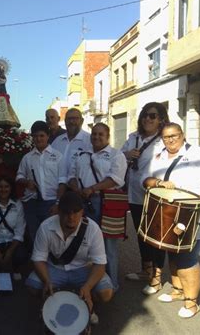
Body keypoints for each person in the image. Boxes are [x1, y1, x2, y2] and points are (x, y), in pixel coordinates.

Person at [142, 123, 200, 318]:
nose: (171, 140)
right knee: (173, 254)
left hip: (195, 216)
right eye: (166, 137)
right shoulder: (158, 157)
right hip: (168, 215)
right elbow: (146, 181)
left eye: (175, 135)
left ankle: (192, 303)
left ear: (183, 135)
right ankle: (178, 291)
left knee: (188, 259)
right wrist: (158, 183)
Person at [26, 191, 114, 324]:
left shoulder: (93, 229)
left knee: (106, 292)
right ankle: (50, 304)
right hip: (55, 268)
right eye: (66, 212)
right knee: (33, 285)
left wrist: (88, 287)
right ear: (59, 212)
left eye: (75, 212)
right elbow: (38, 259)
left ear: (82, 212)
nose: (71, 217)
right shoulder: (45, 227)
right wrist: (47, 281)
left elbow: (100, 264)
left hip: (84, 268)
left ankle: (87, 304)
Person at [65, 123, 127, 291]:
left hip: (106, 202)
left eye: (101, 134)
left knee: (108, 245)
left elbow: (116, 179)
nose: (97, 137)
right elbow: (71, 175)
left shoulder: (116, 155)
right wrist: (75, 188)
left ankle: (112, 284)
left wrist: (92, 188)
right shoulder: (81, 154)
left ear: (108, 136)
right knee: (84, 241)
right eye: (94, 134)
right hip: (82, 201)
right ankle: (88, 282)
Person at [121, 102, 170, 289]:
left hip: (155, 197)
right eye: (144, 115)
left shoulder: (164, 139)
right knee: (141, 235)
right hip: (134, 195)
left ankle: (156, 278)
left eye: (152, 116)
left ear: (161, 119)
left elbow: (184, 149)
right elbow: (118, 156)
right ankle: (145, 270)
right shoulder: (133, 137)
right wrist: (126, 154)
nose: (147, 119)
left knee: (155, 238)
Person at [16, 120, 62, 243]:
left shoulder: (58, 156)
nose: (38, 139)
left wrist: (58, 203)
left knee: (52, 236)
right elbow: (19, 176)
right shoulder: (27, 157)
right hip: (32, 203)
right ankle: (37, 261)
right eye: (35, 136)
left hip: (51, 203)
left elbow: (63, 182)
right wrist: (26, 182)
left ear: (48, 136)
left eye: (41, 135)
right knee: (34, 235)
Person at [55, 108, 93, 201]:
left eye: (75, 118)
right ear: (65, 121)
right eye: (69, 119)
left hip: (79, 191)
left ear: (82, 121)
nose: (71, 121)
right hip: (58, 189)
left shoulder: (90, 140)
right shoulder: (57, 141)